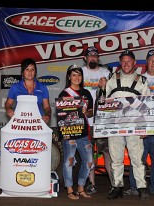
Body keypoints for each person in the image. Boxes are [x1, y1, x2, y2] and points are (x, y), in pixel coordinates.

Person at [106, 49, 150, 200]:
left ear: (134, 63)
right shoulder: (111, 79)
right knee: (116, 158)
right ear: (120, 63)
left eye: (129, 61)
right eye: (123, 61)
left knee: (137, 158)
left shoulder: (142, 81)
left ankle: (142, 187)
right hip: (115, 125)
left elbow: (146, 105)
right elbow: (105, 103)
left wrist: (144, 127)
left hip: (134, 124)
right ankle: (117, 186)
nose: (126, 64)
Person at [124, 49, 154, 196]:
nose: (153, 62)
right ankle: (134, 186)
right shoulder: (139, 79)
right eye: (150, 60)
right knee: (137, 157)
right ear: (146, 63)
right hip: (140, 124)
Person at [57, 65, 94, 200]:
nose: (77, 78)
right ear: (69, 77)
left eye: (79, 75)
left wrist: (86, 111)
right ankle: (69, 189)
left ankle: (81, 187)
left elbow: (91, 112)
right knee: (69, 160)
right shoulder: (64, 94)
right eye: (74, 75)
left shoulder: (87, 93)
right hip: (70, 132)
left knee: (89, 160)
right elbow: (61, 113)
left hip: (84, 131)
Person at [81, 46, 112, 194]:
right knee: (88, 154)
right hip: (86, 121)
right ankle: (91, 184)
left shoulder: (106, 72)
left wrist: (107, 85)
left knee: (107, 152)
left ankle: (114, 183)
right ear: (85, 58)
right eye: (90, 55)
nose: (93, 57)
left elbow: (114, 93)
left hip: (103, 121)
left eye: (95, 55)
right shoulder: (79, 73)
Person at [5, 58, 51, 124]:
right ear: (22, 72)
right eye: (27, 69)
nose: (30, 72)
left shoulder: (42, 87)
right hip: (19, 123)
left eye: (32, 69)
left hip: (38, 123)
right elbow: (8, 103)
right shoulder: (15, 87)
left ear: (35, 72)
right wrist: (8, 110)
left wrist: (48, 116)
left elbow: (47, 107)